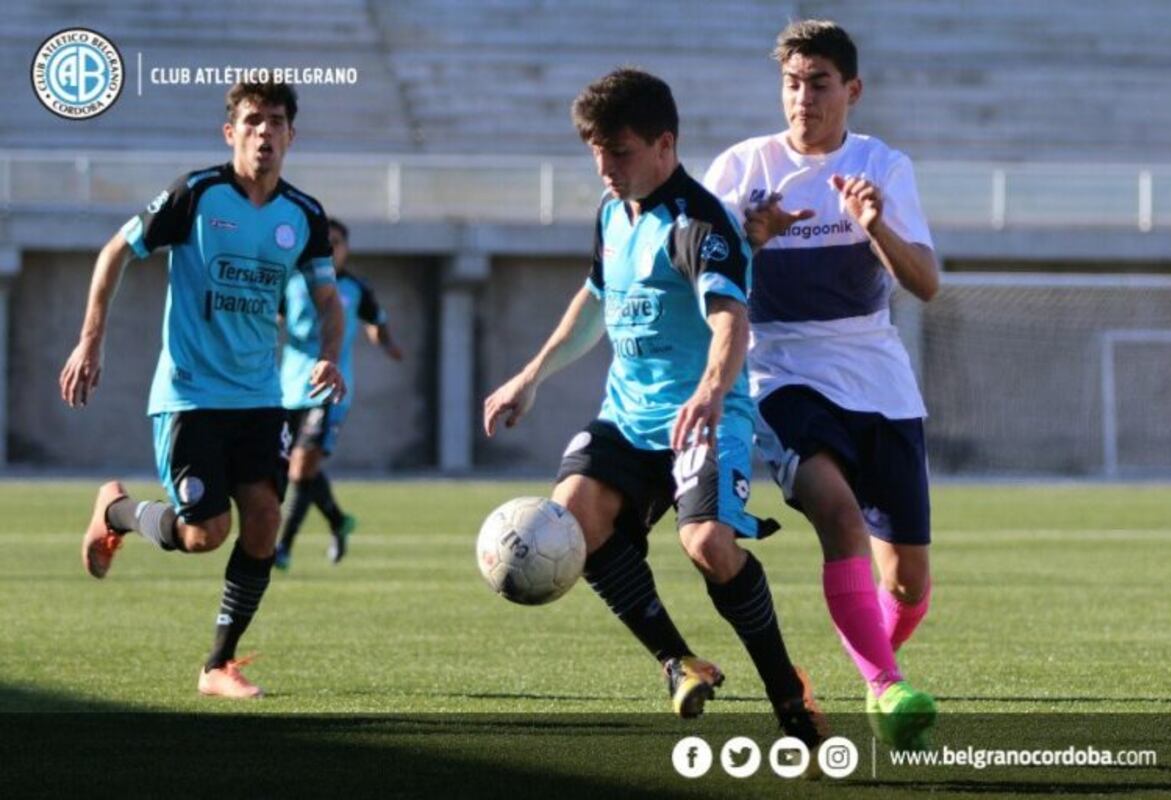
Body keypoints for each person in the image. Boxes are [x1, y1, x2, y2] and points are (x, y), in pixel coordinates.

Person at [483, 68, 825, 749]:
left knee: (708, 547)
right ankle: (679, 662)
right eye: (597, 153)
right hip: (628, 416)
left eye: (620, 151)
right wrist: (531, 376)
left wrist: (709, 391)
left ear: (664, 144)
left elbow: (731, 321)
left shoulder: (700, 224)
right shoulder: (614, 215)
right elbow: (596, 302)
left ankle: (789, 695)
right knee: (576, 516)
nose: (606, 168)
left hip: (705, 414)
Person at [59, 81, 345, 699]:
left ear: (291, 135)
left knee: (265, 519)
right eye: (251, 121)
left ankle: (218, 665)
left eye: (275, 121)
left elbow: (328, 299)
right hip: (190, 395)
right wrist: (90, 340)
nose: (263, 132)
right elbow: (116, 250)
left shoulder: (305, 215)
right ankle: (116, 511)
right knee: (202, 536)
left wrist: (330, 356)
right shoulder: (197, 194)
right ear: (230, 132)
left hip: (259, 396)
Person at [703, 19, 939, 749]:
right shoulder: (741, 170)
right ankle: (885, 686)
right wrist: (750, 237)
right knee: (836, 512)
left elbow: (925, 283)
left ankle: (877, 657)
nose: (803, 98)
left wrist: (875, 228)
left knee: (907, 585)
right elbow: (698, 276)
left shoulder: (883, 166)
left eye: (820, 83)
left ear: (852, 90)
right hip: (781, 371)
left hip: (879, 379)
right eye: (792, 83)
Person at [275, 217, 403, 570]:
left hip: (331, 391)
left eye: (337, 243)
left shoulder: (355, 289)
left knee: (302, 467)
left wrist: (387, 343)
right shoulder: (293, 281)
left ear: (346, 250)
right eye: (325, 242)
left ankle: (282, 547)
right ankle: (337, 520)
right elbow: (275, 318)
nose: (331, 249)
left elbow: (377, 318)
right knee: (291, 469)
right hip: (288, 390)